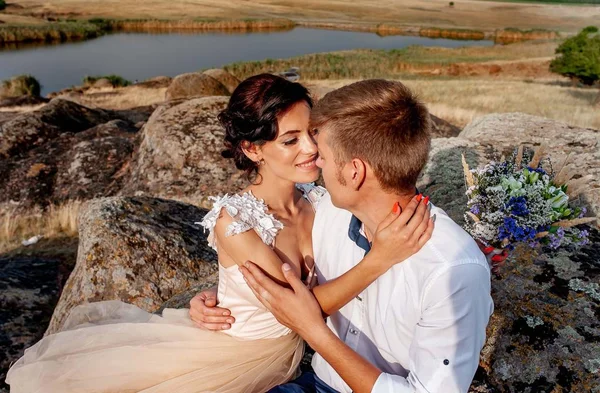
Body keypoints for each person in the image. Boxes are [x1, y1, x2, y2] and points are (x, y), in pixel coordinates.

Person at [6, 75, 433, 393]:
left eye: (312, 133)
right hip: (239, 358)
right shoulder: (236, 221)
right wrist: (381, 258)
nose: (311, 149)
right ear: (252, 149)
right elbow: (295, 308)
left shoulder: (321, 199)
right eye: (290, 140)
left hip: (301, 353)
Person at [194, 79, 495, 393]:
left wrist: (316, 332)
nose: (313, 155)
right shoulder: (331, 210)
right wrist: (218, 296)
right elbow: (266, 286)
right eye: (292, 140)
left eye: (318, 146)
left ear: (355, 172)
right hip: (303, 378)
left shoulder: (449, 268)